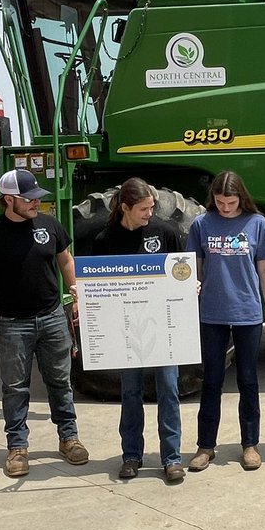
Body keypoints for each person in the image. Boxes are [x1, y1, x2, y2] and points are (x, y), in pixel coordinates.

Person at [0, 168, 88, 478]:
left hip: (52, 318)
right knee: (15, 387)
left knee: (60, 382)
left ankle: (69, 438)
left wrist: (76, 295)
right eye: (30, 198)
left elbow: (66, 259)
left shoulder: (49, 226)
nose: (37, 203)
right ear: (9, 200)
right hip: (11, 324)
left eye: (38, 197)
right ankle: (18, 447)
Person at [91, 178, 188, 484]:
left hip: (163, 328)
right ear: (125, 208)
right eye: (144, 208)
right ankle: (131, 456)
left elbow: (182, 272)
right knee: (130, 392)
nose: (150, 213)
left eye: (152, 207)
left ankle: (171, 458)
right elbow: (98, 287)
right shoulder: (105, 240)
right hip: (126, 331)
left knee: (169, 391)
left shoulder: (166, 232)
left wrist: (191, 285)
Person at [186, 171, 265, 472]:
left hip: (247, 313)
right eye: (219, 202)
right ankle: (205, 446)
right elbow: (192, 268)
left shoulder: (257, 223)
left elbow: (264, 271)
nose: (225, 208)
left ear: (241, 198)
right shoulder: (201, 224)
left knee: (248, 380)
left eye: (230, 202)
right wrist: (193, 288)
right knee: (212, 380)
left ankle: (250, 444)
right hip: (211, 313)